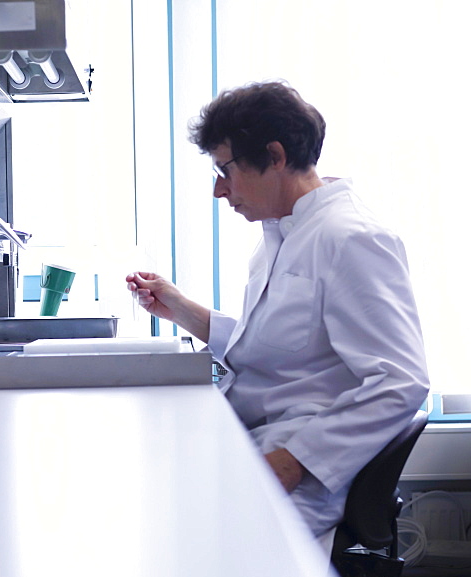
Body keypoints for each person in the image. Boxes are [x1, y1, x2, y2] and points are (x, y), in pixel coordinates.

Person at [126, 81, 430, 547]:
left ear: (274, 155)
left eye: (224, 169)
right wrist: (183, 310)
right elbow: (281, 350)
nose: (218, 190)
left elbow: (401, 381)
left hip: (297, 473)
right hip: (261, 447)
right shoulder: (283, 233)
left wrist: (292, 463)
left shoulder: (351, 239)